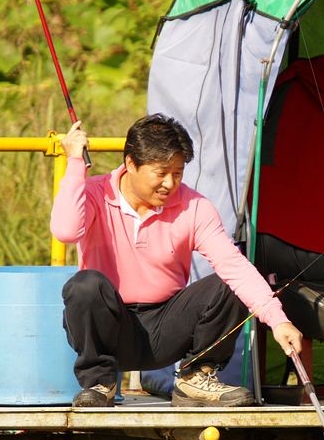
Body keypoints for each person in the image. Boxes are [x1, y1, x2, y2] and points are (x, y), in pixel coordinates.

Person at [50, 114, 303, 408]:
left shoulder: (195, 207)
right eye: (161, 173)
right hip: (113, 329)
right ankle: (99, 383)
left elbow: (234, 266)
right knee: (84, 285)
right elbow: (65, 231)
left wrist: (279, 321)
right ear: (131, 163)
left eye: (178, 173)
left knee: (230, 283)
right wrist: (75, 162)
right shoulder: (95, 193)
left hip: (166, 330)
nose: (169, 184)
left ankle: (196, 376)